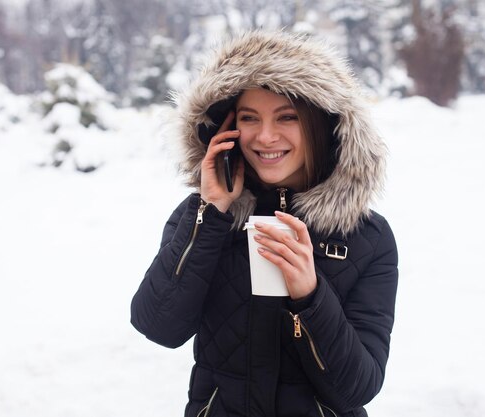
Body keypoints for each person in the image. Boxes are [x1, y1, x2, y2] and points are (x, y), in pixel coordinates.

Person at [131, 31, 399, 417]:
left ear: (322, 125)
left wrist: (309, 296)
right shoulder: (205, 217)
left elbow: (357, 387)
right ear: (227, 131)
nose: (265, 136)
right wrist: (211, 214)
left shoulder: (365, 237)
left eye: (287, 117)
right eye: (249, 118)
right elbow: (158, 326)